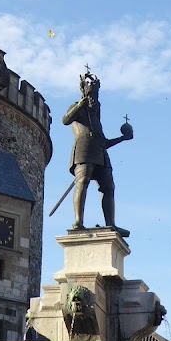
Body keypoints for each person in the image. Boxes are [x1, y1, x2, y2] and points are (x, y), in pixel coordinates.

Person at [61, 69, 133, 235]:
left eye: (96, 94)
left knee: (109, 186)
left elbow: (104, 142)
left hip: (100, 152)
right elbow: (65, 120)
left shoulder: (95, 116)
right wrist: (80, 104)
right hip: (84, 149)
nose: (95, 97)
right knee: (83, 181)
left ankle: (111, 223)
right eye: (92, 93)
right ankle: (78, 222)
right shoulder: (77, 107)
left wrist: (123, 138)